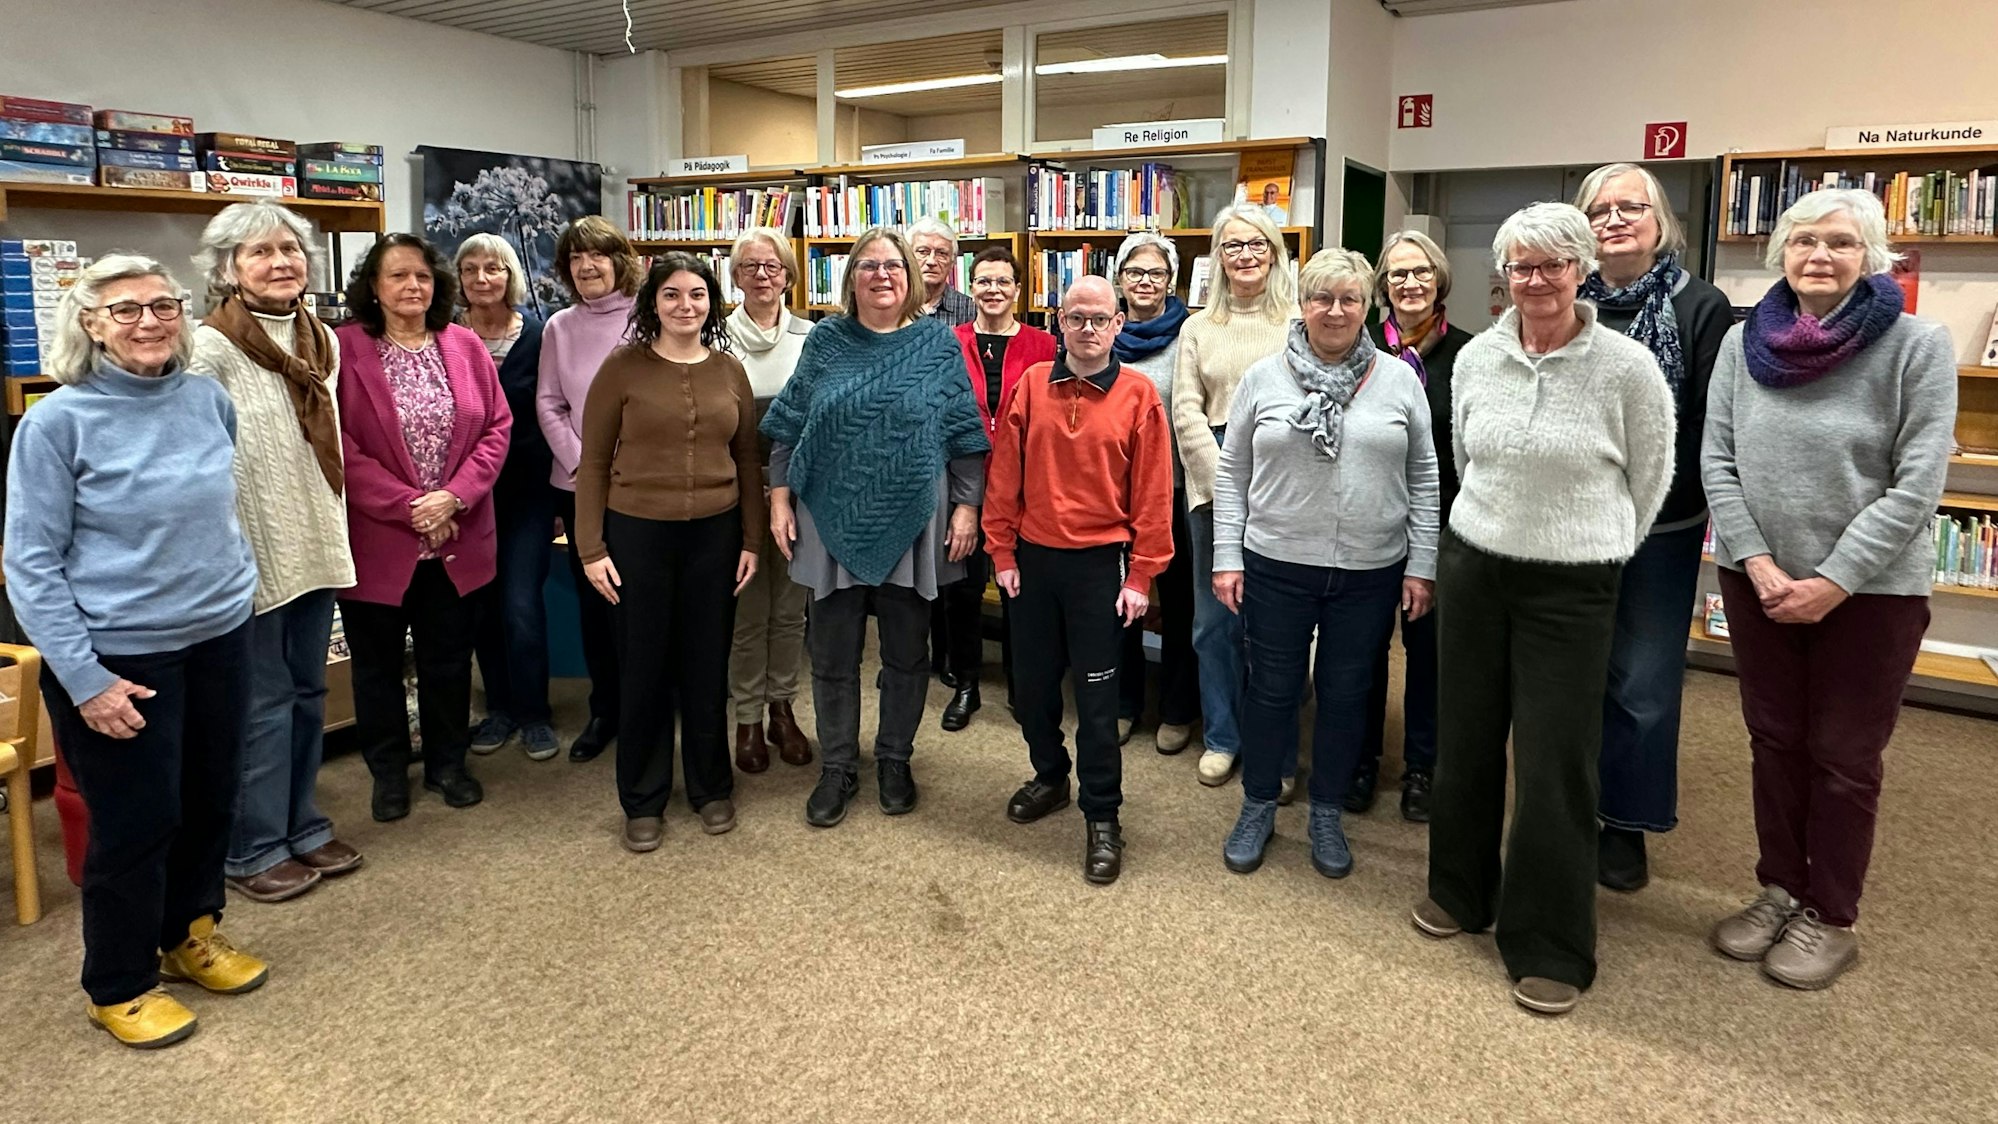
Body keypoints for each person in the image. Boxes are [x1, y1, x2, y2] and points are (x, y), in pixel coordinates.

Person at [1412, 202, 1673, 1017]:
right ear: (1504, 275)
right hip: (1476, 565)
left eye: (1553, 264)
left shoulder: (1627, 367)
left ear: (1582, 269)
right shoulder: (1478, 358)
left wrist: (1595, 541)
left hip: (1573, 582)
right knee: (1466, 737)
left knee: (1557, 758)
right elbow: (1467, 460)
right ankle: (1460, 889)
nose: (1536, 280)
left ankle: (1550, 939)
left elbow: (1651, 477)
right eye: (1521, 266)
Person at [6, 254, 267, 1049]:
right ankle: (117, 984)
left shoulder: (206, 399)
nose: (149, 321)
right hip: (120, 657)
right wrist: (85, 681)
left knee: (211, 800)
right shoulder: (56, 422)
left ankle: (189, 936)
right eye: (125, 310)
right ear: (90, 323)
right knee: (135, 823)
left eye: (163, 305)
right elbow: (30, 564)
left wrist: (238, 596)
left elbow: (216, 512)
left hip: (218, 637)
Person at [1702, 189, 1955, 992]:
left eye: (1840, 242)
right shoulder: (1743, 342)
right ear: (1781, 251)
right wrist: (1757, 562)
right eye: (1804, 240)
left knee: (1844, 756)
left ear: (1870, 255)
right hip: (1759, 582)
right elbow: (1717, 459)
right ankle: (1780, 888)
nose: (1820, 255)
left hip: (1871, 595)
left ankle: (1832, 914)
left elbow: (1918, 485)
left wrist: (1834, 579)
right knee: (1774, 741)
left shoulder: (1916, 345)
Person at [1214, 248, 1439, 880]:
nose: (1335, 311)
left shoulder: (1399, 380)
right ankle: (1259, 803)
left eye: (1349, 299)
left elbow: (1424, 476)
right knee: (1272, 690)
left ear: (1367, 306)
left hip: (1370, 571)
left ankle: (1327, 811)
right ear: (1302, 304)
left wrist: (1422, 564)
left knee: (1345, 695)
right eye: (1322, 298)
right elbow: (1232, 474)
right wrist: (1227, 556)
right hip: (1276, 563)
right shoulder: (1264, 377)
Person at [761, 227, 989, 828]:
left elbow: (964, 433)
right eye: (868, 265)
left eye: (893, 265)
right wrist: (779, 499)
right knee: (831, 654)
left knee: (907, 653)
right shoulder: (827, 341)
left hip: (914, 521)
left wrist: (968, 507)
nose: (882, 275)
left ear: (910, 276)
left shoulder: (937, 344)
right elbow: (788, 427)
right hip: (827, 516)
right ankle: (837, 765)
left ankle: (894, 759)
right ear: (851, 277)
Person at [189, 201, 362, 904]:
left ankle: (302, 824)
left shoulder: (323, 340)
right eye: (259, 252)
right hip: (251, 553)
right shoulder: (208, 348)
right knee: (261, 704)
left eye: (289, 249)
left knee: (308, 692)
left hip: (315, 540)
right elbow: (202, 463)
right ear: (228, 268)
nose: (280, 262)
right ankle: (252, 845)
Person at [1572, 163, 1734, 891]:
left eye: (1630, 207)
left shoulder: (1700, 306)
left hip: (1661, 526)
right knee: (1571, 673)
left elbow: (1707, 423)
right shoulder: (1563, 296)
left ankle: (1626, 824)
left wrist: (1638, 487)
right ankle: (1569, 806)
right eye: (1598, 209)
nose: (1614, 219)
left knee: (1642, 680)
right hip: (1569, 522)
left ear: (1660, 219)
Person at [986, 275, 1173, 885]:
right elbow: (1004, 475)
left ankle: (1102, 814)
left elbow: (1152, 496)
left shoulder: (1140, 395)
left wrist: (1142, 575)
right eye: (1076, 318)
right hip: (1033, 563)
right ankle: (1049, 776)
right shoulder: (1031, 384)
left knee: (1096, 705)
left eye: (1099, 319)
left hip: (1100, 567)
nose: (1087, 329)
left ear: (1118, 324)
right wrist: (1002, 551)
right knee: (1032, 690)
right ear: (1059, 323)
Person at [575, 253, 763, 851]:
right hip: (637, 536)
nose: (686, 306)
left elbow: (747, 459)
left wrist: (752, 539)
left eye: (698, 294)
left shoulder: (730, 369)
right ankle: (643, 796)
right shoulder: (622, 369)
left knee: (707, 664)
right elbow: (593, 462)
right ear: (652, 303)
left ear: (713, 302)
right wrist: (590, 548)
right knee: (644, 666)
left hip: (716, 534)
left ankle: (711, 786)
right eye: (672, 295)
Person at [336, 234, 511, 824]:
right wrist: (411, 506)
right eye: (398, 276)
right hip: (379, 540)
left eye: (423, 276)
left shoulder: (464, 344)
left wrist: (453, 498)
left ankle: (448, 765)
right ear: (373, 287)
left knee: (448, 661)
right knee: (377, 667)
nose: (413, 286)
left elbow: (497, 427)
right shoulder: (344, 349)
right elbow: (337, 443)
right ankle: (388, 774)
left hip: (457, 535)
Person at [1171, 205, 1299, 790]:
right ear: (1218, 258)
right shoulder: (1197, 327)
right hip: (1213, 476)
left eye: (1256, 244)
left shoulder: (1297, 320)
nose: (1245, 255)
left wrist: (1266, 480)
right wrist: (1226, 481)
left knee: (1276, 626)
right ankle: (1223, 737)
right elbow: (1185, 410)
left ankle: (1275, 747)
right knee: (1214, 621)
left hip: (1284, 478)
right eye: (1232, 246)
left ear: (1273, 252)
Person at [1355, 230, 1474, 823]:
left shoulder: (1470, 354)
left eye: (1421, 271)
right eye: (1397, 273)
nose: (1410, 283)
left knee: (1430, 653)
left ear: (1439, 279)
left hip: (1444, 526)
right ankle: (1362, 758)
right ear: (1383, 285)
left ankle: (1423, 765)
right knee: (1365, 648)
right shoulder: (1360, 347)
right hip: (1371, 523)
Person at [537, 216, 642, 763]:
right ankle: (605, 710)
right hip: (579, 486)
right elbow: (549, 403)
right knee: (595, 603)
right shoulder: (559, 327)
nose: (586, 266)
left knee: (643, 600)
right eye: (575, 258)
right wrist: (587, 464)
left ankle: (648, 705)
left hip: (643, 486)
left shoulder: (650, 317)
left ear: (619, 260)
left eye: (597, 255)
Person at [937, 245, 1055, 731]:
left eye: (1003, 281)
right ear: (971, 288)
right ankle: (966, 683)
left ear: (1018, 289)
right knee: (962, 590)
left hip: (1024, 487)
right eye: (984, 281)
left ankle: (1020, 683)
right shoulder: (949, 342)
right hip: (961, 484)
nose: (993, 290)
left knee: (1018, 591)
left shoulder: (1044, 346)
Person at [456, 234, 557, 763]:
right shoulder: (446, 337)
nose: (481, 278)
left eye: (492, 268)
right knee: (481, 607)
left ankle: (535, 713)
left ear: (509, 275)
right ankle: (499, 708)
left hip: (526, 494)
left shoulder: (540, 337)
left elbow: (553, 410)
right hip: (465, 498)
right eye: (470, 269)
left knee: (521, 603)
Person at [724, 228, 815, 772]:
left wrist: (787, 482)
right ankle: (747, 719)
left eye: (773, 266)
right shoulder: (715, 336)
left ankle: (782, 708)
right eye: (750, 266)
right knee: (748, 611)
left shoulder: (811, 336)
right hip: (735, 487)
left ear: (788, 276)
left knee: (789, 610)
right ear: (735, 276)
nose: (762, 275)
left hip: (800, 489)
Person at [1111, 232, 1200, 754]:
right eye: (1135, 272)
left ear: (1171, 281)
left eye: (1156, 273)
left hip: (1175, 491)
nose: (1145, 281)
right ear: (1119, 279)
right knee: (1121, 602)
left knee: (1181, 605)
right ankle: (1124, 704)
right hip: (1114, 496)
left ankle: (1177, 708)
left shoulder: (1190, 335)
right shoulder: (1104, 329)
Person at [909, 216, 976, 326]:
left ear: (953, 262)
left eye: (941, 253)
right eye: (923, 252)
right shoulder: (893, 306)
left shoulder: (970, 310)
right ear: (908, 257)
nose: (931, 261)